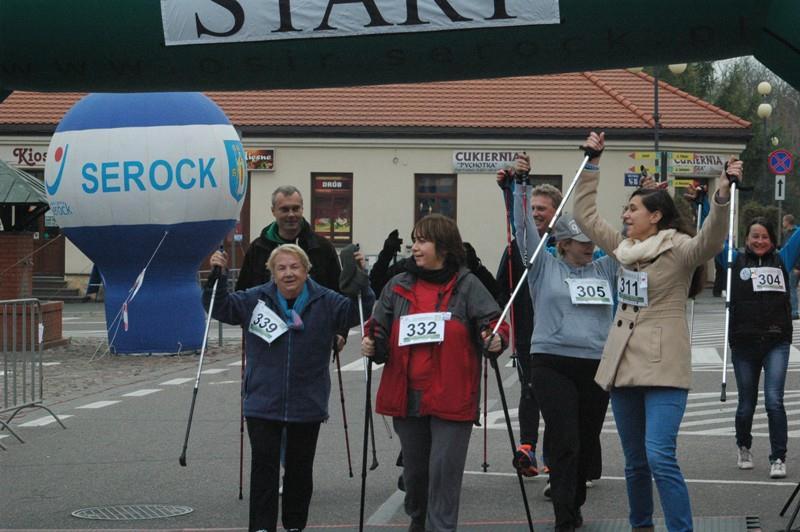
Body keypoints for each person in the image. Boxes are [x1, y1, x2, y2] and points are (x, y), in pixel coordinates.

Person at [574, 131, 738, 532]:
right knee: (634, 461)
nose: (626, 215)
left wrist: (720, 198)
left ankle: (680, 528)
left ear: (656, 216)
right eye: (626, 210)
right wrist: (592, 165)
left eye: (633, 210)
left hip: (664, 366)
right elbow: (585, 216)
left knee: (659, 455)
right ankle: (641, 525)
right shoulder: (622, 249)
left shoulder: (679, 249)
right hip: (623, 363)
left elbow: (711, 241)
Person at [204, 244, 374, 532]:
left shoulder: (326, 300)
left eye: (295, 267)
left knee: (299, 472)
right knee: (264, 471)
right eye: (281, 268)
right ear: (272, 273)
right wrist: (217, 277)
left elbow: (360, 312)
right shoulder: (255, 299)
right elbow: (219, 307)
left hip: (307, 402)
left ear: (307, 270)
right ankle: (261, 527)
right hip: (262, 400)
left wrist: (361, 280)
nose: (288, 273)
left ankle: (295, 525)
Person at [361, 213, 509, 532]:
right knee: (415, 476)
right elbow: (378, 324)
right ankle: (418, 519)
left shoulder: (467, 285)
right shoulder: (398, 285)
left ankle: (440, 527)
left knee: (444, 473)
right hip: (407, 395)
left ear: (442, 246)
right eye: (414, 240)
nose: (415, 247)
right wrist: (373, 341)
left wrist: (494, 337)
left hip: (452, 397)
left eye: (422, 240)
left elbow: (494, 322)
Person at [497, 162, 617, 531]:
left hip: (596, 365)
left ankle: (574, 500)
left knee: (583, 441)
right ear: (563, 242)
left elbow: (630, 245)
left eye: (591, 242)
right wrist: (520, 185)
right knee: (564, 438)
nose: (589, 247)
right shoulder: (544, 267)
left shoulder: (605, 269)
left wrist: (645, 195)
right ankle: (565, 513)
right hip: (551, 363)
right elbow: (522, 230)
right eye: (582, 243)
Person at [495, 177, 563, 479]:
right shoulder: (517, 247)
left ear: (557, 212)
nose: (536, 213)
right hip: (527, 332)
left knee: (555, 396)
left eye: (542, 209)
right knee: (529, 391)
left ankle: (554, 453)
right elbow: (500, 289)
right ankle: (527, 448)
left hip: (560, 333)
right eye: (533, 208)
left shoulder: (565, 245)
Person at [726, 217, 800, 478]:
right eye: (754, 236)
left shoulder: (782, 260)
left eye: (765, 237)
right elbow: (711, 236)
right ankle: (744, 446)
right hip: (744, 343)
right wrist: (708, 201)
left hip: (775, 341)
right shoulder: (734, 261)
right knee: (746, 404)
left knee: (774, 401)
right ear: (746, 238)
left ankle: (778, 456)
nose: (759, 241)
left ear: (773, 239)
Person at [236, 185, 341, 292]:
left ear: (302, 209)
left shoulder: (322, 247)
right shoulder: (257, 249)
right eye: (284, 209)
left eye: (295, 209)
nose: (291, 214)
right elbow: (242, 292)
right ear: (273, 211)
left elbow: (338, 291)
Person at [781, 214, 799, 319]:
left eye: (783, 221)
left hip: (794, 266)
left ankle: (794, 312)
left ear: (787, 221)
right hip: (788, 265)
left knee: (792, 288)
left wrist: (797, 266)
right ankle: (790, 310)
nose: (782, 223)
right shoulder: (787, 233)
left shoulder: (796, 233)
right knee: (789, 288)